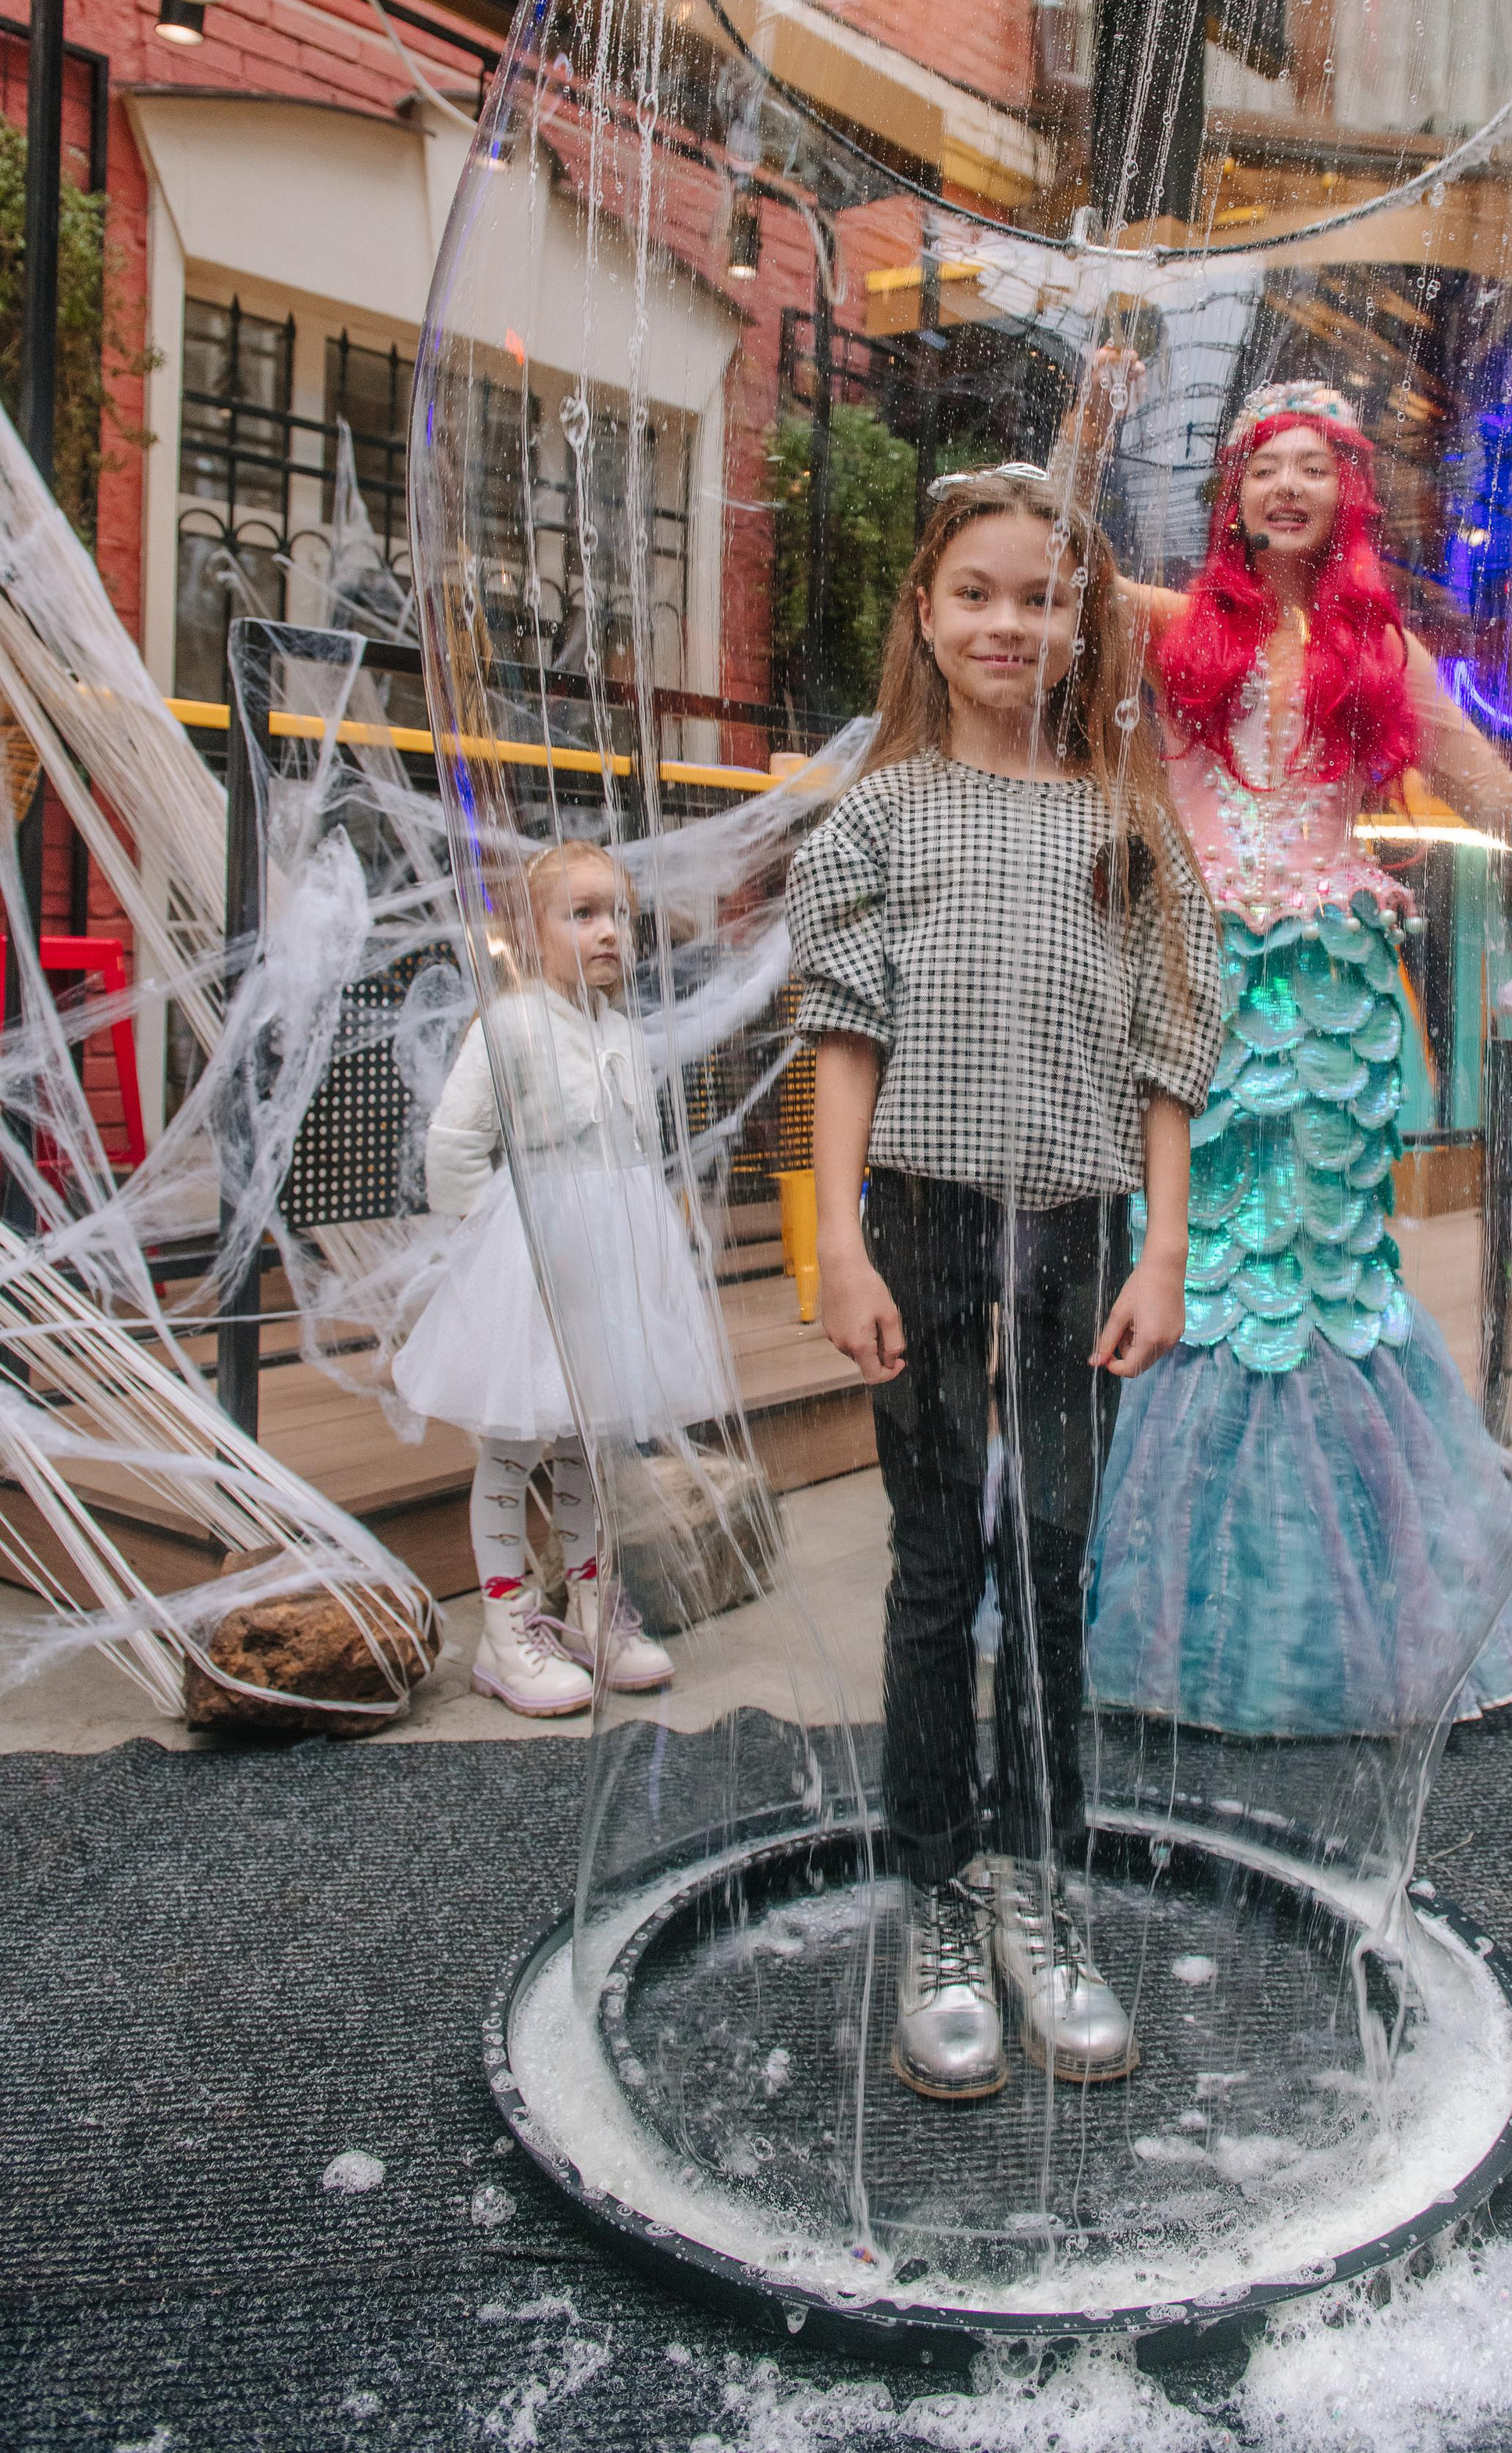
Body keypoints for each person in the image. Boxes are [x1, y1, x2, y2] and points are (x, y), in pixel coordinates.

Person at [1082, 381, 1512, 1737]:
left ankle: (1328, 1614)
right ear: (1235, 495)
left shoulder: (1387, 654)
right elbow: (1060, 566)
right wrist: (1092, 422)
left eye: (1313, 469)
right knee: (1189, 1258)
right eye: (1265, 469)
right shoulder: (1177, 624)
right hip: (1199, 972)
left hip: (1325, 1001)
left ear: (1344, 495)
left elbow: (1497, 803)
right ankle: (1179, 1606)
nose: (1288, 489)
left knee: (1321, 1273)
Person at [786, 466, 1222, 2102]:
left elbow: (1169, 1049)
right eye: (975, 591)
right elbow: (845, 1037)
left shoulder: (1125, 825)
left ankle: (1039, 1882)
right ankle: (938, 1896)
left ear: (1082, 627)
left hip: (1083, 1221)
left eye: (1041, 597)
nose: (1004, 623)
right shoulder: (879, 815)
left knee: (1049, 1551)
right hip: (924, 1214)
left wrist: (1164, 1248)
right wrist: (837, 1234)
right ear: (923, 608)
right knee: (928, 1558)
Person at [395, 841, 722, 1718]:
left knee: (590, 1437)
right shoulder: (509, 1024)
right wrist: (487, 1248)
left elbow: (641, 1147)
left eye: (618, 913)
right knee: (512, 1444)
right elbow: (456, 1142)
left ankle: (591, 1604)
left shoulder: (621, 1029)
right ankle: (507, 1627)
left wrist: (658, 1243)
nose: (609, 931)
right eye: (581, 914)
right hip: (534, 1254)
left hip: (612, 1257)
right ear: (529, 934)